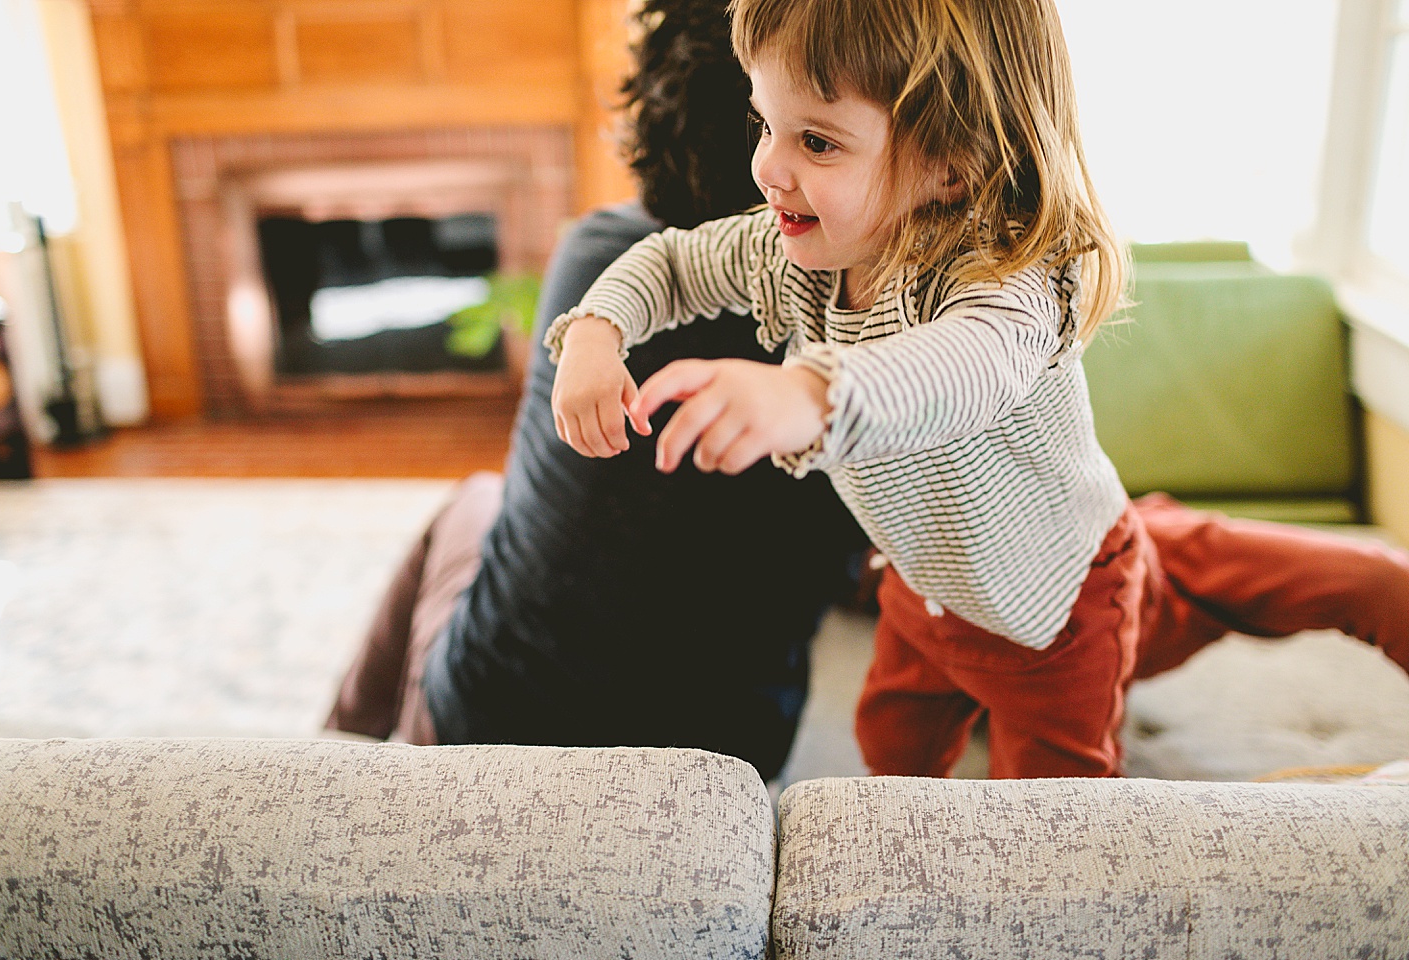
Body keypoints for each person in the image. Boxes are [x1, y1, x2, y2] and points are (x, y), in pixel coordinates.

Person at [548, 0, 1409, 778]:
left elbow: (953, 371)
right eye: (763, 122)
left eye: (817, 142)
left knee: (1050, 822)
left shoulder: (1011, 283)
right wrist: (596, 330)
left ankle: (1283, 571)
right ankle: (1166, 541)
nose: (768, 167)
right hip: (930, 586)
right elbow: (670, 261)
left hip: (1061, 607)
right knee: (890, 748)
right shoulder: (794, 254)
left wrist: (805, 395)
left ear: (950, 166)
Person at [325, 0, 867, 781]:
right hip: (721, 763)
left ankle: (335, 764)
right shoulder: (881, 334)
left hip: (485, 734)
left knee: (476, 498)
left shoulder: (596, 252)